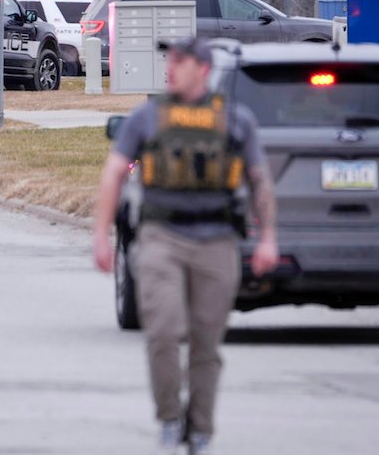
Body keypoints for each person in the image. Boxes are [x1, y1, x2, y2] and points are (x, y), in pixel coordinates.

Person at [91, 36, 280, 455]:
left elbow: (259, 181)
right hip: (162, 237)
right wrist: (101, 235)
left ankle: (200, 429)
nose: (170, 67)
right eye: (169, 60)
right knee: (162, 332)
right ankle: (169, 419)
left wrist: (267, 237)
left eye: (180, 61)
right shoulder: (147, 118)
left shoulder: (236, 120)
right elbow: (113, 175)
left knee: (205, 342)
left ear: (204, 70)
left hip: (217, 241)